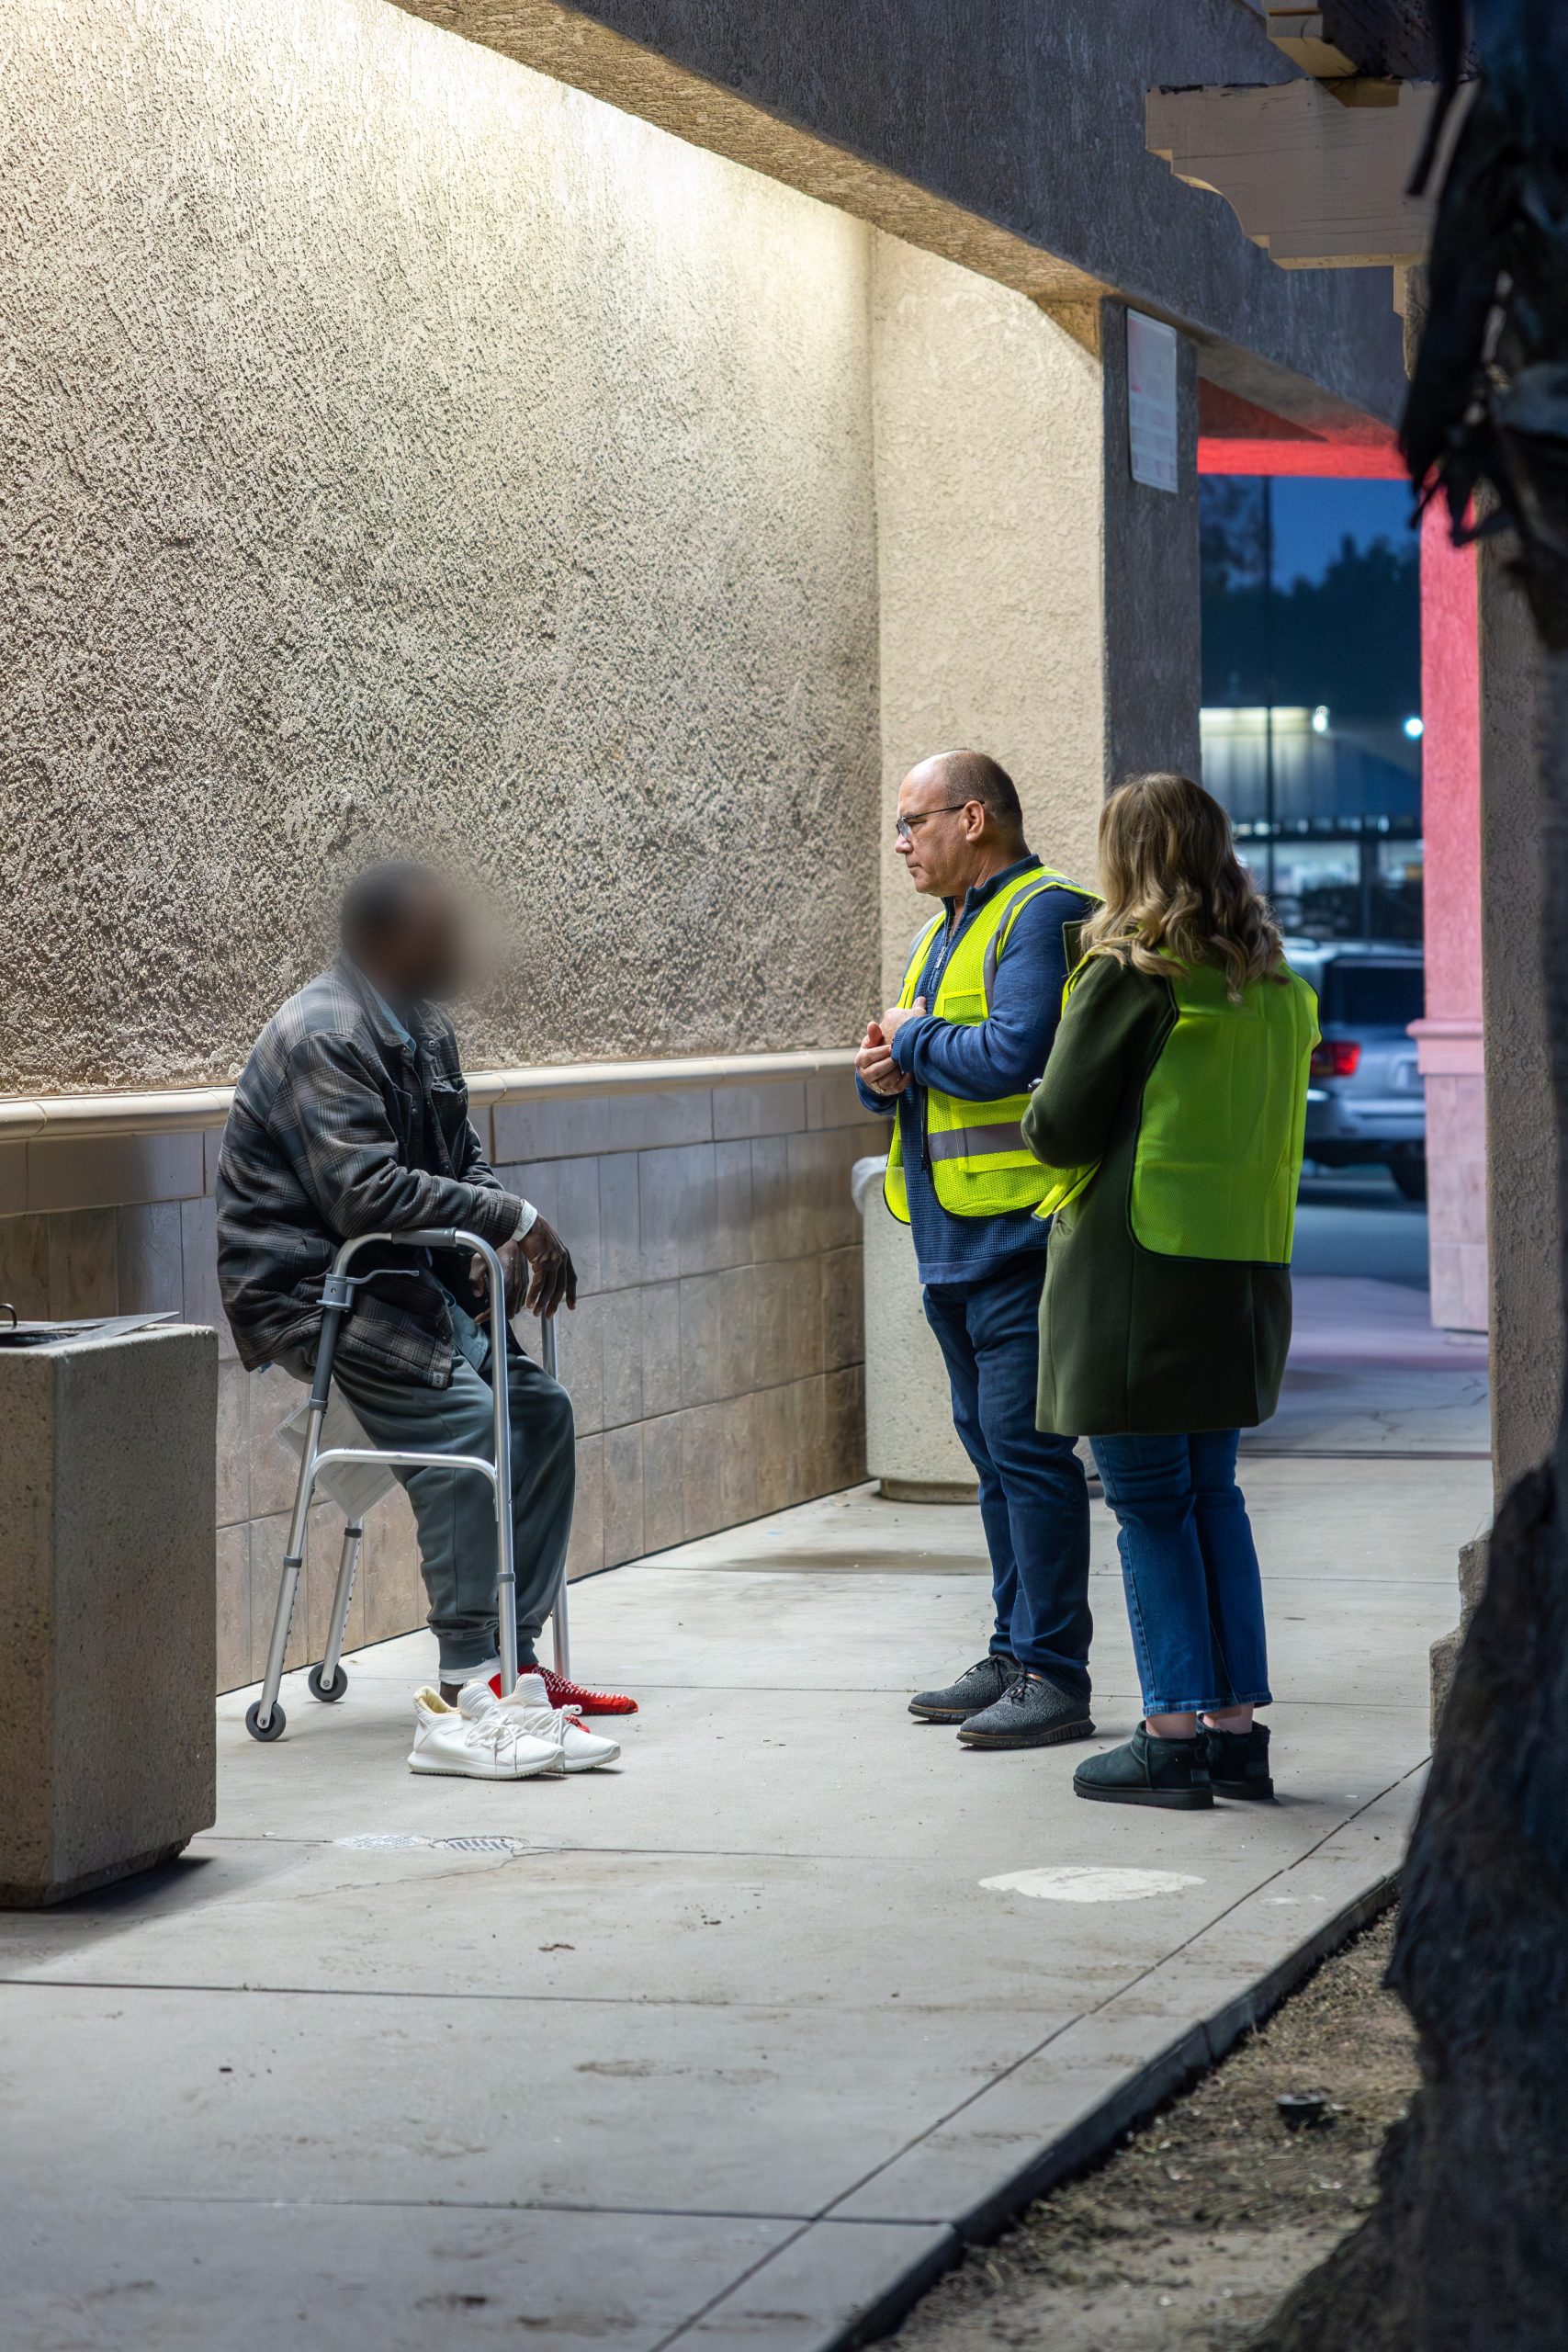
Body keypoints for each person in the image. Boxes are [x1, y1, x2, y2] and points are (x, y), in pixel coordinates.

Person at [217, 861, 636, 1775]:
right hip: (314, 1291)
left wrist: (489, 1247)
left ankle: (514, 1669)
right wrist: (511, 1225)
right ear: (380, 941)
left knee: (537, 1414)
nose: (456, 949)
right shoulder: (324, 1031)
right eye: (437, 933)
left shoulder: (427, 1029)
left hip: (403, 1281)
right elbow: (362, 1193)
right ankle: (460, 1690)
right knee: (461, 1440)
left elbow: (463, 1166)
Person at [1021, 772, 1318, 1811]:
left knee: (1149, 1506)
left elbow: (1057, 1127)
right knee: (1213, 1500)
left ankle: (1172, 1733)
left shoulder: (1131, 974)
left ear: (1127, 858)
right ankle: (1236, 1733)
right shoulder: (1278, 983)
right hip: (1238, 1278)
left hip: (1138, 1275)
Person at [855, 750, 1100, 1751]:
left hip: (1019, 1240)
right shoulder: (940, 933)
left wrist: (909, 1046)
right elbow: (908, 1065)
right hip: (952, 1243)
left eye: (914, 822)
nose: (903, 842)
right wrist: (882, 1069)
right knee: (996, 1464)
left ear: (975, 816)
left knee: (1032, 1463)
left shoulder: (1039, 913)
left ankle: (1056, 1672)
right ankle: (1012, 1653)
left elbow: (1014, 1056)